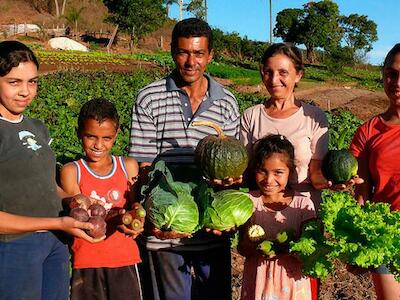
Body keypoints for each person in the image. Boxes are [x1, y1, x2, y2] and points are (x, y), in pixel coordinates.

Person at [129, 18, 240, 300]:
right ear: (171, 52)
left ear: (211, 55)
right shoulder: (148, 98)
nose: (191, 62)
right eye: (183, 52)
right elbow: (142, 165)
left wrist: (229, 189)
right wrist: (153, 218)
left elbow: (230, 163)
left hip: (212, 233)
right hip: (165, 233)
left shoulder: (226, 102)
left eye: (199, 53)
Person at [0, 40, 100, 299]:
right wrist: (57, 222)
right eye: (14, 82)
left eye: (32, 82)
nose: (25, 91)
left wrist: (72, 199)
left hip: (54, 242)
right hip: (14, 247)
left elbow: (47, 184)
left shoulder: (37, 127)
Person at [240, 43, 361, 209]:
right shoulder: (251, 116)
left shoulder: (314, 117)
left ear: (298, 75)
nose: (274, 79)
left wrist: (331, 182)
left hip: (303, 209)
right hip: (261, 208)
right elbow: (247, 172)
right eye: (268, 72)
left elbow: (316, 174)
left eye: (283, 73)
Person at [60, 98, 143, 299]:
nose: (98, 145)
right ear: (78, 133)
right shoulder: (72, 171)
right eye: (91, 136)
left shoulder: (128, 166)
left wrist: (135, 219)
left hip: (124, 258)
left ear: (116, 135)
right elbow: (77, 213)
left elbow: (136, 206)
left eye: (106, 138)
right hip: (87, 260)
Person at [238, 134, 317, 300]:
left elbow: (311, 250)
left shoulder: (303, 205)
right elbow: (242, 248)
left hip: (292, 282)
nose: (269, 180)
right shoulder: (248, 202)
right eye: (262, 171)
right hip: (258, 280)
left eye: (278, 172)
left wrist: (289, 250)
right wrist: (254, 245)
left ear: (291, 171)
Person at [349, 43, 400, 300]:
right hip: (384, 237)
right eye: (392, 73)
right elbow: (362, 193)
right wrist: (357, 241)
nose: (398, 82)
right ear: (382, 74)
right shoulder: (368, 132)